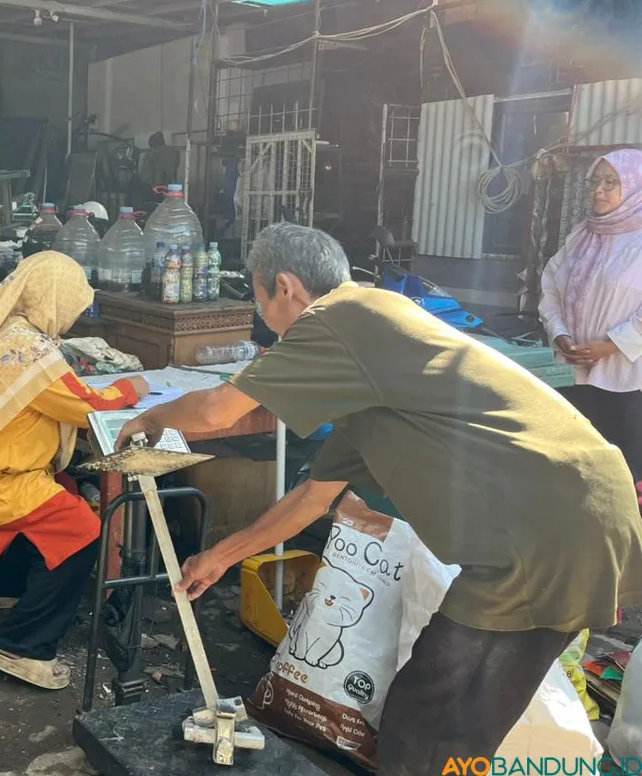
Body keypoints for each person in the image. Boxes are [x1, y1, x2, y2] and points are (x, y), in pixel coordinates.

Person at [118, 222, 642, 776]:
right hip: (571, 511)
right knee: (449, 711)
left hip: (549, 528)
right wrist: (220, 558)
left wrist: (149, 417)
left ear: (287, 287)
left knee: (436, 716)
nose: (260, 314)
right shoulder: (374, 353)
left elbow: (216, 411)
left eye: (257, 296)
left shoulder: (338, 320)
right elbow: (310, 501)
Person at [0, 251, 147, 690]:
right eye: (72, 305)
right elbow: (87, 406)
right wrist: (131, 388)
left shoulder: (6, 328)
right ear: (53, 297)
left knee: (58, 485)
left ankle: (9, 592)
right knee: (82, 527)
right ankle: (21, 645)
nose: (74, 315)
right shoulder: (29, 349)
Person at [540, 149, 642, 501]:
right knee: (577, 466)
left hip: (625, 382)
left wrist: (611, 345)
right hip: (573, 372)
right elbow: (551, 285)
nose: (599, 190)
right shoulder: (583, 235)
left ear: (633, 187)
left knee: (622, 476)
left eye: (610, 182)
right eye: (595, 182)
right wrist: (561, 333)